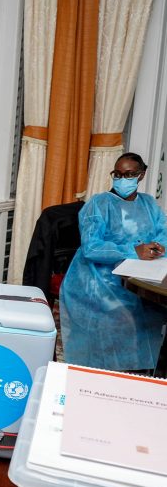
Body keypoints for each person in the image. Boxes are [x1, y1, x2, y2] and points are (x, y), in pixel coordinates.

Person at [60, 152, 167, 371]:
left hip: (140, 272)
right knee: (121, 314)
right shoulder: (99, 204)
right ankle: (106, 371)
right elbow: (91, 248)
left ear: (141, 175)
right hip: (97, 278)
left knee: (156, 308)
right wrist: (132, 250)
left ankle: (145, 370)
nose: (122, 179)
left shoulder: (148, 203)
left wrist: (158, 246)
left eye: (128, 174)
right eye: (117, 174)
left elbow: (162, 232)